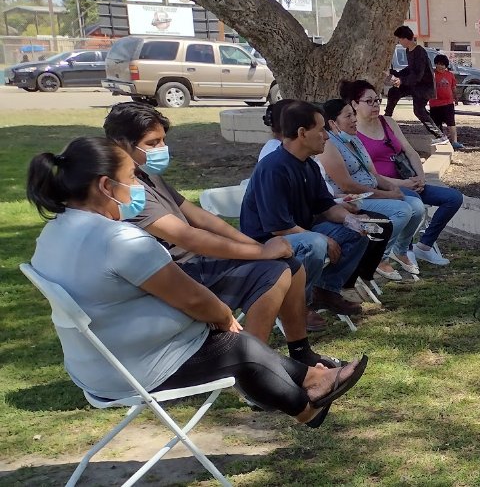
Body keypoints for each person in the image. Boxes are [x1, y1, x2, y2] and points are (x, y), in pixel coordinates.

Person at [26, 137, 369, 428]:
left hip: (94, 366)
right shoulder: (119, 240)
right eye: (131, 178)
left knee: (232, 342)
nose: (137, 187)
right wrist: (223, 317)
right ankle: (308, 407)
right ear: (105, 186)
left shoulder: (53, 233)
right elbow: (194, 300)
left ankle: (312, 380)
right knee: (238, 345)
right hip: (134, 368)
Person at [102, 102, 340, 367]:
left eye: (163, 141)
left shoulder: (145, 173)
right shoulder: (126, 191)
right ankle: (253, 371)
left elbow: (201, 217)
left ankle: (300, 352)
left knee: (291, 266)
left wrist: (255, 246)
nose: (162, 149)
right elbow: (189, 238)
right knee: (275, 273)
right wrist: (261, 252)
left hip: (195, 265)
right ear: (121, 144)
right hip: (179, 273)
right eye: (153, 142)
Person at [239, 100, 371, 316]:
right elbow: (279, 228)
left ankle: (326, 291)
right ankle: (296, 305)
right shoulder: (273, 168)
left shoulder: (308, 164)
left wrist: (350, 219)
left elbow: (326, 206)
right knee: (316, 243)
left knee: (357, 233)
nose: (327, 136)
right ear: (302, 133)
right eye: (321, 130)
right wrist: (324, 239)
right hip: (267, 242)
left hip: (301, 234)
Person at [348, 79, 461, 271]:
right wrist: (405, 184)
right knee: (414, 202)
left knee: (453, 198)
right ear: (354, 104)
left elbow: (409, 150)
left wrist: (420, 177)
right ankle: (403, 249)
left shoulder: (388, 122)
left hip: (408, 180)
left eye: (377, 100)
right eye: (369, 101)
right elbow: (370, 174)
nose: (375, 105)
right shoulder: (352, 133)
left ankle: (424, 245)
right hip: (385, 186)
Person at [319, 95, 427, 282]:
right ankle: (376, 258)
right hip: (354, 199)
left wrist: (394, 189)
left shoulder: (354, 140)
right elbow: (347, 185)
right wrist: (389, 195)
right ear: (333, 123)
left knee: (417, 207)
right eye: (348, 116)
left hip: (373, 192)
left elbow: (374, 175)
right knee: (402, 210)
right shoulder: (329, 145)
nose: (354, 119)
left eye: (353, 114)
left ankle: (398, 251)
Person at [386, 26, 449, 145]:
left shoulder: (419, 51)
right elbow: (410, 69)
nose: (399, 42)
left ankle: (440, 135)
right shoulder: (408, 50)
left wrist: (402, 81)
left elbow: (418, 74)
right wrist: (396, 74)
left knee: (419, 110)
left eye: (399, 39)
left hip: (423, 87)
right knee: (394, 92)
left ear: (405, 39)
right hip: (414, 84)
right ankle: (387, 119)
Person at [431, 54, 463, 150]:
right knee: (436, 124)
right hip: (435, 104)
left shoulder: (450, 75)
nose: (440, 66)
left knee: (451, 123)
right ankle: (439, 139)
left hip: (448, 103)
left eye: (443, 64)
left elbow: (453, 87)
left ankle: (454, 142)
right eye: (438, 64)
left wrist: (456, 98)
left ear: (446, 66)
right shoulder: (432, 75)